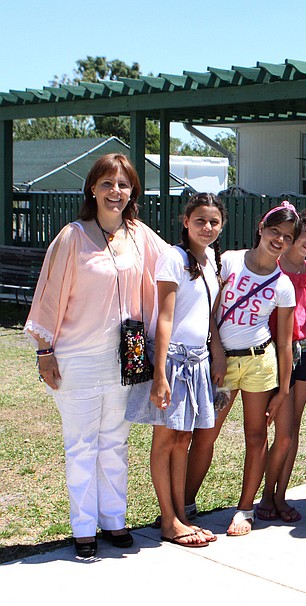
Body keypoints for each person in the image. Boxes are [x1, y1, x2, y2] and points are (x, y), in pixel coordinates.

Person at [25, 153, 168, 557]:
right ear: (93, 188)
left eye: (123, 185)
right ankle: (83, 528)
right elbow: (49, 296)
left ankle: (114, 521)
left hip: (127, 356)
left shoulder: (140, 235)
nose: (115, 192)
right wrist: (45, 350)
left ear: (132, 192)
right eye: (107, 184)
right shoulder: (72, 237)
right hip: (77, 358)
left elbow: (174, 264)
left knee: (115, 442)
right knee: (82, 444)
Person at [184, 204, 298, 537]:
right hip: (222, 362)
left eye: (287, 237)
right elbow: (209, 310)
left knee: (256, 436)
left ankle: (245, 510)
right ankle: (186, 504)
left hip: (259, 363)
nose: (279, 239)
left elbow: (286, 343)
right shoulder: (230, 260)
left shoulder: (283, 284)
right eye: (274, 231)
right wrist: (217, 351)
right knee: (206, 433)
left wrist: (283, 391)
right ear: (261, 228)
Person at [126, 193, 225, 547]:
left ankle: (181, 515)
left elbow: (208, 315)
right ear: (186, 221)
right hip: (172, 360)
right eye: (200, 221)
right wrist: (160, 374)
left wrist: (217, 353)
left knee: (183, 438)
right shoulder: (173, 258)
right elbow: (164, 317)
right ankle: (168, 521)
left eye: (214, 222)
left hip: (198, 359)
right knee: (165, 439)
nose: (207, 228)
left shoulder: (210, 259)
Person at [258, 207, 306, 523]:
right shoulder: (273, 266)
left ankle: (281, 495)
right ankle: (265, 495)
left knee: (294, 428)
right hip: (276, 353)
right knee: (280, 432)